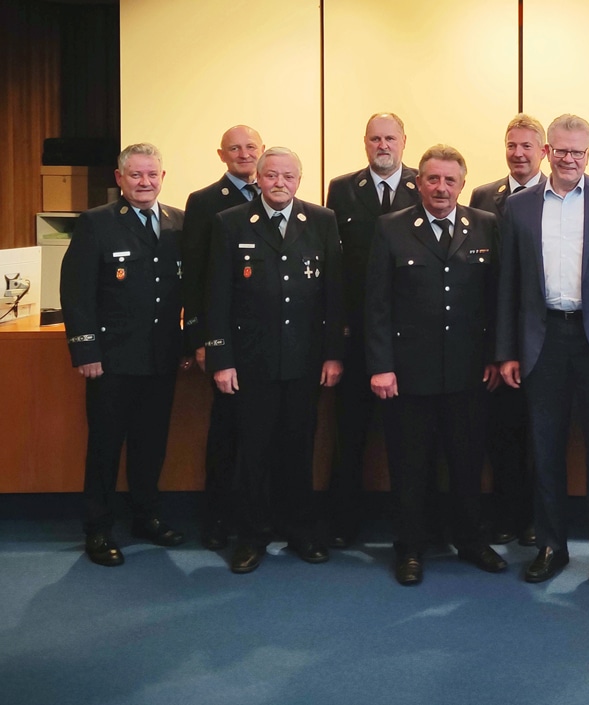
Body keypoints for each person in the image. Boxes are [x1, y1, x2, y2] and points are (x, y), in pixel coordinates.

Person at [496, 114, 589, 595]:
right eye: (560, 150)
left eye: (577, 152)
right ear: (546, 151)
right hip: (543, 341)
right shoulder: (518, 207)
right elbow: (508, 287)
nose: (568, 159)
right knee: (545, 451)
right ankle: (551, 546)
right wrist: (507, 352)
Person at [365, 144, 507, 586]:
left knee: (467, 462)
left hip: (469, 373)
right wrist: (381, 365)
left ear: (462, 184)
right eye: (432, 179)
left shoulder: (486, 226)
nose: (441, 187)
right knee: (411, 465)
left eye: (449, 180)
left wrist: (494, 357)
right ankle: (410, 547)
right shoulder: (391, 228)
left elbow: (496, 299)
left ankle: (470, 539)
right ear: (418, 182)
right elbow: (376, 305)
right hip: (409, 374)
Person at [206, 146, 344, 574]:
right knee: (253, 452)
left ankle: (301, 530)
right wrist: (221, 359)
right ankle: (252, 536)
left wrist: (333, 354)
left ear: (299, 180)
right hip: (251, 363)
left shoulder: (321, 220)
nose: (279, 183)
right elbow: (217, 297)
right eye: (271, 176)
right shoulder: (230, 223)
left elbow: (334, 295)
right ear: (258, 180)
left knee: (299, 448)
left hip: (304, 361)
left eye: (288, 176)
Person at [61, 142, 188, 566]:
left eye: (152, 174)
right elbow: (76, 292)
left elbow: (184, 292)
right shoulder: (96, 223)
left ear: (163, 177)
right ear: (119, 179)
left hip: (161, 358)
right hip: (112, 361)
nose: (145, 182)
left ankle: (145, 516)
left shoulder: (177, 224)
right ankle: (97, 529)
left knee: (151, 444)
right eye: (135, 175)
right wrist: (85, 349)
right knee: (104, 447)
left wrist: (187, 346)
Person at [323, 112, 421, 548]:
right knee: (350, 432)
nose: (383, 145)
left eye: (390, 138)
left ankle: (420, 525)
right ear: (365, 143)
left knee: (414, 439)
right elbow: (336, 266)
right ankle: (343, 523)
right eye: (375, 139)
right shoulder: (343, 190)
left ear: (404, 141)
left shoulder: (427, 184)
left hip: (412, 337)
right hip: (358, 334)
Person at [181, 125, 265, 550]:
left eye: (251, 147)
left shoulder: (275, 197)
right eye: (235, 148)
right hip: (226, 340)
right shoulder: (205, 202)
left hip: (267, 341)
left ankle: (260, 519)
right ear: (221, 155)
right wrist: (200, 338)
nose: (244, 154)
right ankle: (217, 520)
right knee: (226, 435)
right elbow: (196, 276)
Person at [469, 113, 546, 547]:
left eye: (526, 147)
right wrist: (495, 349)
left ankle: (535, 519)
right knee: (500, 433)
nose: (518, 154)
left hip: (540, 337)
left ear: (543, 152)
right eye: (511, 146)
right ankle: (504, 514)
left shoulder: (560, 194)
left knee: (538, 435)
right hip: (493, 335)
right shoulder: (483, 195)